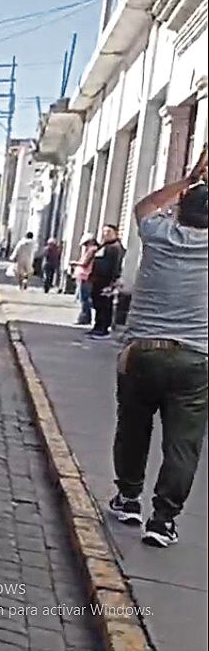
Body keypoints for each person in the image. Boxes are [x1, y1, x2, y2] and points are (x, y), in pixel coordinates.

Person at [107, 146, 208, 549]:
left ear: (180, 211)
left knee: (133, 427)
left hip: (142, 351)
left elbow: (145, 204)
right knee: (182, 443)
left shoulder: (157, 234)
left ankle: (128, 498)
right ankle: (162, 521)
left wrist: (189, 178)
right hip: (195, 358)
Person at [88, 224, 125, 340]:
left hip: (106, 281)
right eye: (104, 232)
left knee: (104, 305)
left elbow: (115, 266)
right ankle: (97, 326)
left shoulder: (115, 247)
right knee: (97, 304)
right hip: (97, 280)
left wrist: (113, 282)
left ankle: (103, 328)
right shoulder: (104, 246)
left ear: (115, 233)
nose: (105, 234)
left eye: (108, 232)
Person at [72, 233, 98, 325]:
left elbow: (85, 263)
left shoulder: (92, 250)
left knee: (84, 298)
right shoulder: (93, 250)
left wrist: (74, 263)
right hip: (86, 276)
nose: (85, 246)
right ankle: (86, 317)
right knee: (85, 298)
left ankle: (85, 317)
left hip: (85, 276)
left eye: (86, 244)